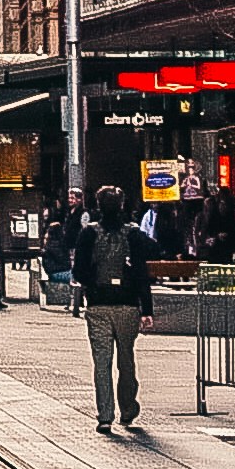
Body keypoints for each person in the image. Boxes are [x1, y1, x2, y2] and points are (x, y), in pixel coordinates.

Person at [79, 186, 155, 436]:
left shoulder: (89, 233)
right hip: (128, 305)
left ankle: (105, 416)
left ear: (98, 206)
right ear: (122, 205)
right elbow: (143, 272)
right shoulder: (133, 234)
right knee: (126, 359)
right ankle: (128, 407)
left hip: (98, 305)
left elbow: (78, 271)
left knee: (102, 362)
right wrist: (147, 309)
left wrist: (92, 284)